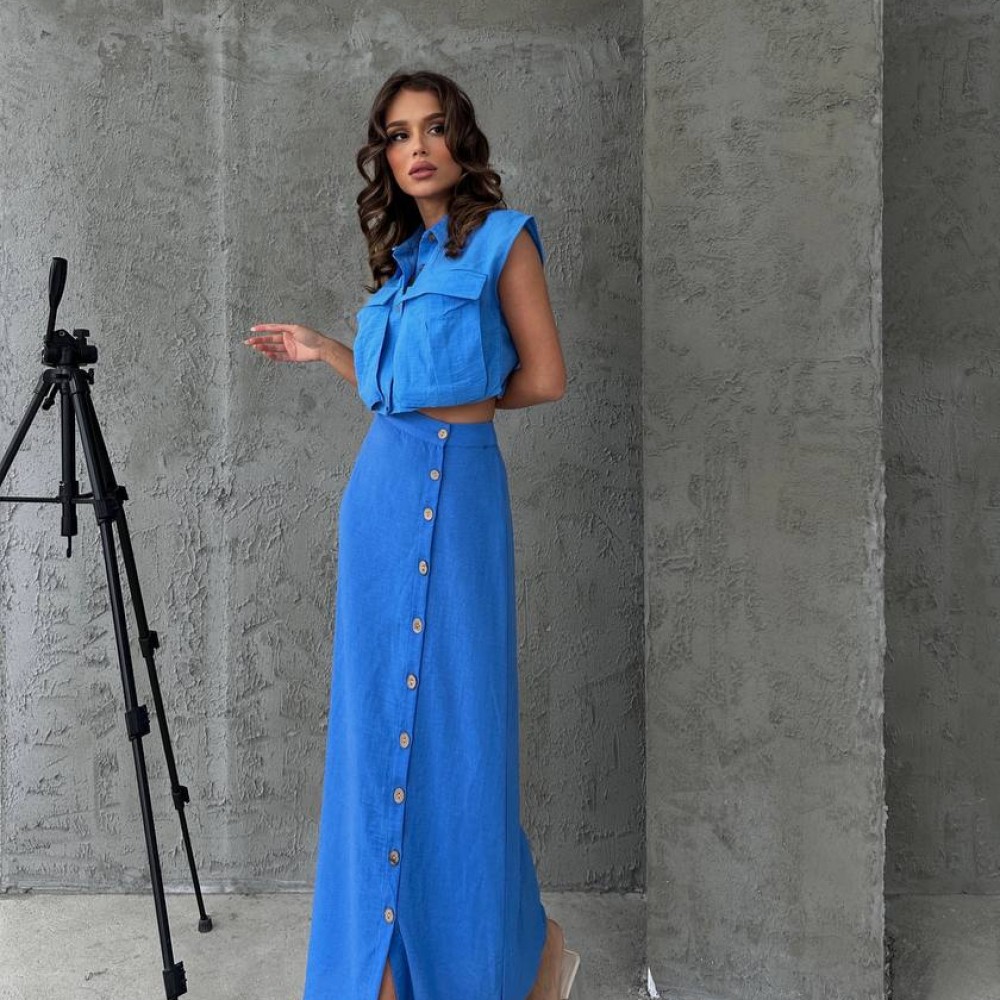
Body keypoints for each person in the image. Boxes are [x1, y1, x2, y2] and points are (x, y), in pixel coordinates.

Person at [244, 69, 578, 1000]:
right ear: (384, 156)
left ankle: (521, 953)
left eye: (433, 129)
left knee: (457, 733)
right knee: (374, 732)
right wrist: (326, 349)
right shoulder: (403, 264)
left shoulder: (505, 242)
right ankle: (382, 970)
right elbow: (390, 390)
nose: (417, 148)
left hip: (459, 494)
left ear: (459, 141)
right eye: (398, 135)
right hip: (382, 500)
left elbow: (546, 377)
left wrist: (464, 400)